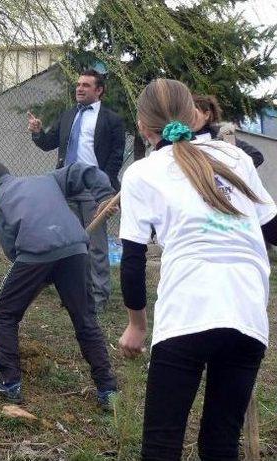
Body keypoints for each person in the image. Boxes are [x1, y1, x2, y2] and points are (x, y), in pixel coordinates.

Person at [118, 79, 277, 460]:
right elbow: (272, 228)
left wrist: (137, 326)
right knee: (221, 443)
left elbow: (133, 258)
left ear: (143, 126)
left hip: (188, 311)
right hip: (247, 312)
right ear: (194, 113)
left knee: (161, 443)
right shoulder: (235, 158)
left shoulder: (141, 173)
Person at [0, 159, 118, 408]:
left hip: (34, 253)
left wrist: (38, 274)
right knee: (85, 318)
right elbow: (81, 170)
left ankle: (10, 382)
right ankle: (108, 390)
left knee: (5, 312)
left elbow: (11, 249)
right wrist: (104, 194)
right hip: (76, 249)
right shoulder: (48, 179)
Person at [28, 69, 125, 312]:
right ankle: (74, 295)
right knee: (70, 244)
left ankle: (99, 298)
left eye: (86, 85)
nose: (79, 89)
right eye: (78, 85)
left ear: (99, 90)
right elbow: (49, 143)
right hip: (66, 187)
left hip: (95, 189)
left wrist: (104, 186)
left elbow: (116, 157)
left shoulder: (112, 120)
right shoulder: (68, 115)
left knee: (96, 245)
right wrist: (38, 131)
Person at [192, 93, 264, 167]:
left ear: (206, 115)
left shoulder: (223, 134)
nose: (189, 118)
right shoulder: (182, 135)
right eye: (187, 114)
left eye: (194, 114)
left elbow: (255, 155)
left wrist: (228, 172)